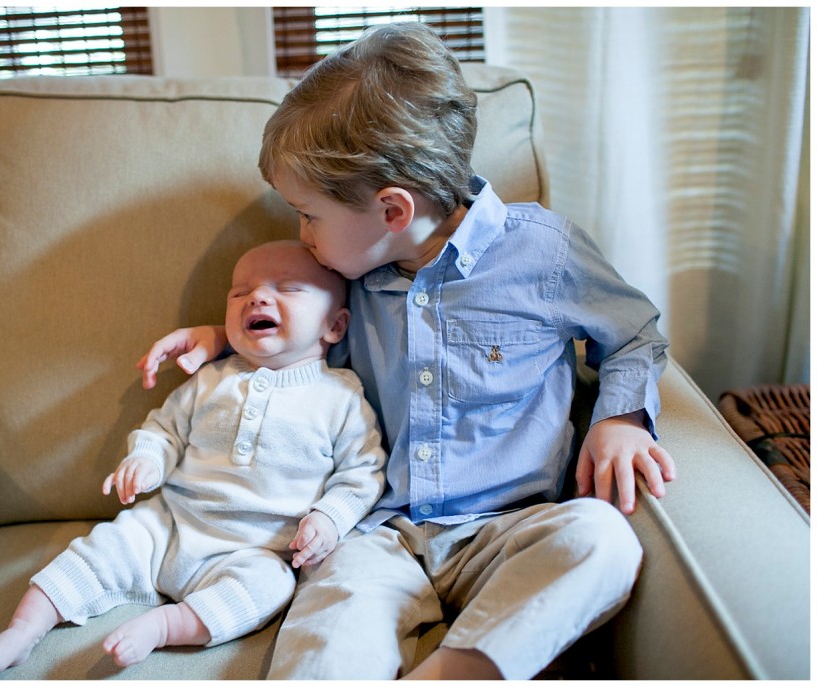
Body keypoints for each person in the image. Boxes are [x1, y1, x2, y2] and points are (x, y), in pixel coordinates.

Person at [136, 22, 676, 681]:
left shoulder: (543, 252)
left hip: (509, 525)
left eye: (309, 214)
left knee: (601, 541)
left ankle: (453, 669)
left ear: (392, 210)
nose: (301, 233)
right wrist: (222, 337)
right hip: (378, 532)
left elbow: (637, 332)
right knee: (328, 629)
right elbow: (297, 329)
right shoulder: (348, 275)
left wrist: (619, 419)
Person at [0, 240, 386, 674]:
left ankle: (162, 627)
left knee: (270, 588)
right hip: (167, 524)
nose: (256, 297)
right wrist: (145, 461)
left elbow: (364, 471)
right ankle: (22, 630)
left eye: (288, 288)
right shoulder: (210, 380)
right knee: (99, 549)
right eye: (240, 292)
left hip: (256, 548)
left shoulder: (340, 398)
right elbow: (163, 430)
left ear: (335, 325)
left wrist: (330, 517)